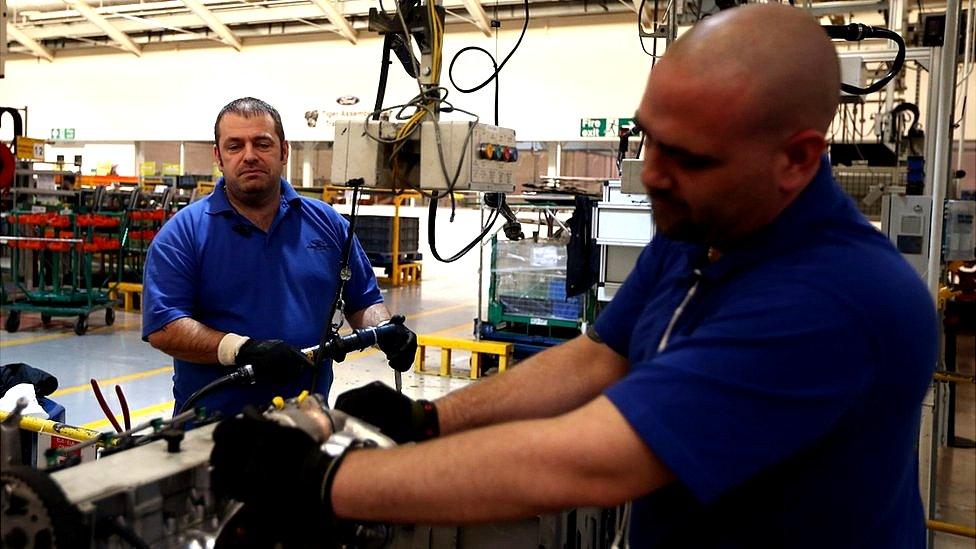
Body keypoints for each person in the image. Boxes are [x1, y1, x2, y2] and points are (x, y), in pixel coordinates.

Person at [209, 6, 938, 547]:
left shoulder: (835, 301)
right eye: (649, 138)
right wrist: (431, 419)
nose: (652, 177)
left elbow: (592, 461)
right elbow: (600, 356)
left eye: (690, 158)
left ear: (797, 160)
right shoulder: (704, 231)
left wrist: (328, 481)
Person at [142, 97, 417, 418]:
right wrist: (241, 350)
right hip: (211, 430)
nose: (249, 156)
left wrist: (385, 329)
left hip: (307, 423)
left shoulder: (327, 224)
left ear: (284, 151)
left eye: (262, 143)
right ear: (218, 156)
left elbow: (362, 302)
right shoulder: (184, 233)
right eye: (234, 146)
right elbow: (165, 327)